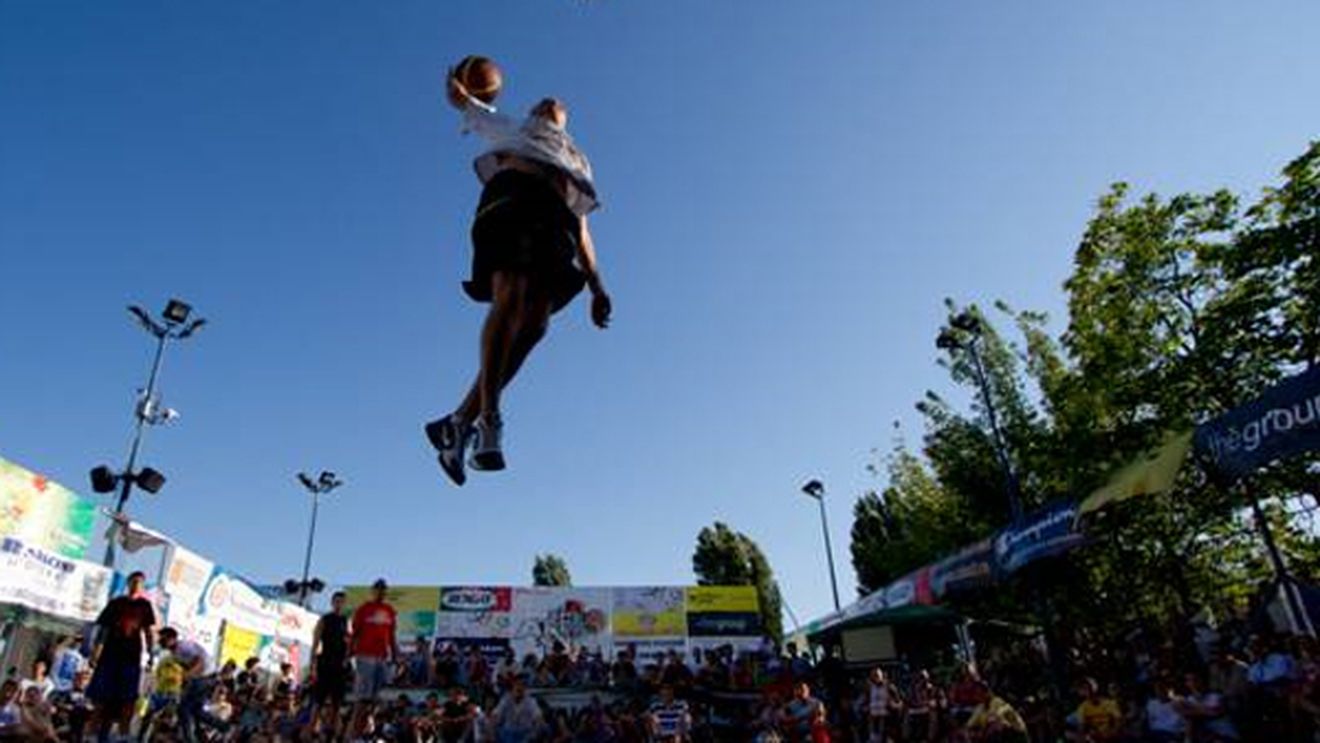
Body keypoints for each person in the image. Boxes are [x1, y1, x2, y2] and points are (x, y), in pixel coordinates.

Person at [427, 68, 613, 485]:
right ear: (533, 113)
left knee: (535, 325)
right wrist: (458, 84)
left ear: (565, 119)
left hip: (557, 218)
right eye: (542, 102)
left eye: (557, 104)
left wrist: (597, 286)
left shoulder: (578, 159)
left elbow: (582, 225)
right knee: (509, 294)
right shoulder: (510, 126)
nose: (550, 102)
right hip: (512, 196)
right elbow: (462, 102)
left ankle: (457, 423)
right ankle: (489, 420)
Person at [87, 570, 157, 743]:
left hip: (131, 657)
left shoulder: (145, 606)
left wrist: (151, 654)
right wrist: (96, 650)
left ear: (142, 586)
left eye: (140, 582)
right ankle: (91, 735)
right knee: (100, 697)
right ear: (128, 583)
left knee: (128, 699)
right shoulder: (116, 603)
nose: (136, 585)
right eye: (133, 581)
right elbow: (103, 629)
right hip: (110, 655)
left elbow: (148, 631)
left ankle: (123, 735)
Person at [350, 579, 399, 737]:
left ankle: (367, 734)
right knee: (362, 699)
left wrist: (396, 655)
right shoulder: (363, 609)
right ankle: (354, 735)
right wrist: (349, 653)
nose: (381, 592)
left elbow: (391, 636)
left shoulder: (390, 610)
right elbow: (355, 633)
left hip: (382, 657)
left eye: (384, 590)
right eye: (378, 589)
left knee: (374, 698)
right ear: (373, 591)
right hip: (365, 656)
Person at [159, 626, 223, 743]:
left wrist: (188, 675)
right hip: (204, 678)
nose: (161, 642)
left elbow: (200, 662)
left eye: (164, 639)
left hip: (205, 678)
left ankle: (189, 739)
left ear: (172, 638)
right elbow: (188, 666)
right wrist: (185, 681)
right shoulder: (174, 654)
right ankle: (224, 727)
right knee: (195, 711)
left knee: (184, 709)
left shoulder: (183, 646)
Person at [310, 589, 352, 736]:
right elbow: (315, 643)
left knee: (337, 702)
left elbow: (349, 643)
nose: (339, 604)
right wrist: (312, 665)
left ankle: (332, 732)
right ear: (332, 603)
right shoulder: (324, 619)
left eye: (341, 602)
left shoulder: (346, 621)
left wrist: (347, 660)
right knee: (319, 700)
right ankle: (311, 731)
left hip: (340, 665)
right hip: (325, 662)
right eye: (336, 601)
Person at [491, 676, 543, 743]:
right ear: (513, 688)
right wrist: (493, 728)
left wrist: (534, 732)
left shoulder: (530, 701)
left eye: (522, 686)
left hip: (525, 733)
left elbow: (538, 717)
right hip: (508, 733)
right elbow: (495, 715)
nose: (519, 688)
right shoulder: (506, 700)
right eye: (517, 685)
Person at [1073, 677, 1122, 742]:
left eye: (1087, 688)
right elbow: (1082, 726)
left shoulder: (1109, 704)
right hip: (1094, 737)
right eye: (1083, 689)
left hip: (1111, 736)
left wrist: (1111, 732)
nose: (1087, 692)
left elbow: (1118, 721)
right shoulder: (1082, 707)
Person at [866, 668, 898, 743]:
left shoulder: (889, 686)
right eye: (873, 676)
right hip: (873, 716)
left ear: (882, 676)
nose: (875, 678)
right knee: (874, 738)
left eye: (877, 675)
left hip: (885, 716)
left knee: (885, 738)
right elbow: (867, 700)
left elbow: (898, 701)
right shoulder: (870, 687)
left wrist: (892, 705)